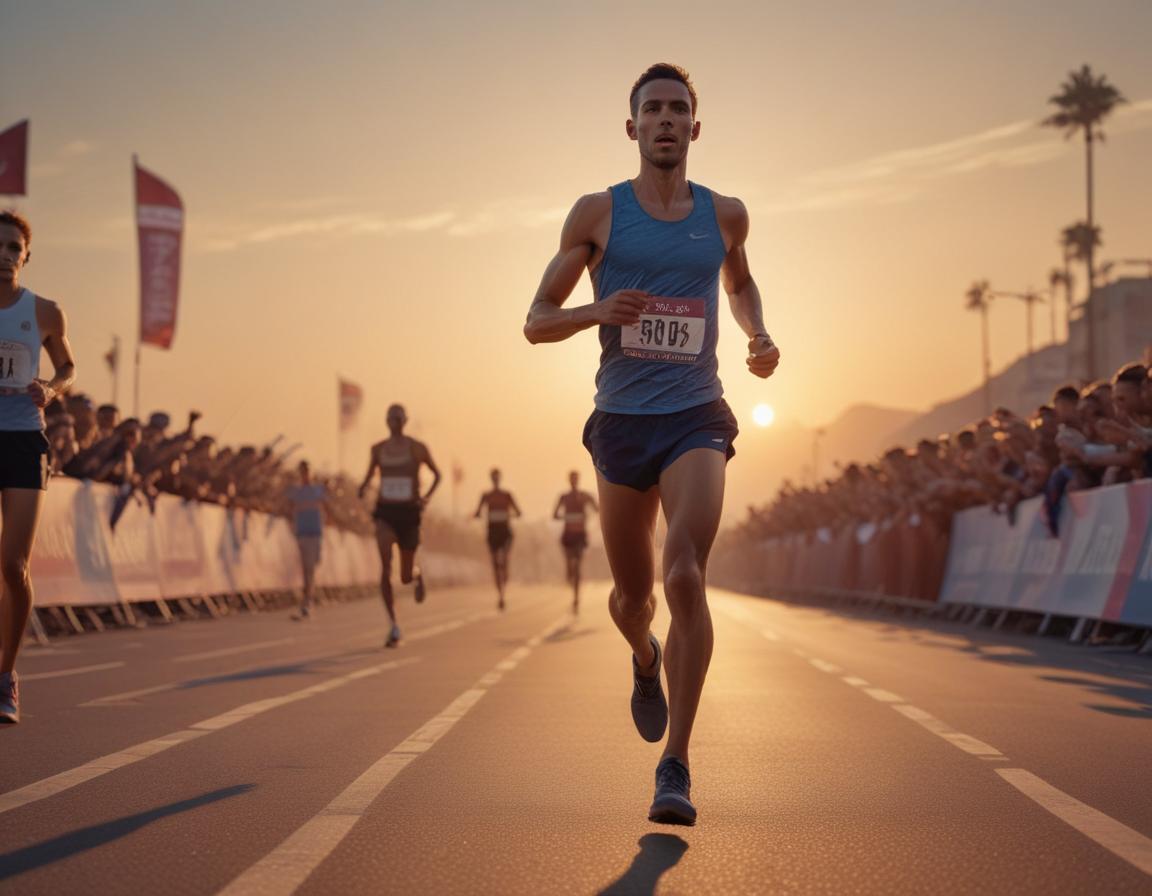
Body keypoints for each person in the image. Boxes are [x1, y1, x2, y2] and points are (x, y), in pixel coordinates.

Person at [522, 64, 780, 824]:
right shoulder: (598, 214)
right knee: (633, 600)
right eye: (651, 110)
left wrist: (758, 335)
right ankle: (644, 656)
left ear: (694, 128)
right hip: (621, 426)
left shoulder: (725, 214)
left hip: (697, 416)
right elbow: (536, 319)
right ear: (631, 127)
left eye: (678, 110)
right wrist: (597, 310)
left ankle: (676, 764)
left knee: (686, 578)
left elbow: (738, 285)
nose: (665, 120)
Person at [0, 210, 77, 724]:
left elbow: (68, 366)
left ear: (26, 257)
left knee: (13, 566)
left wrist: (50, 388)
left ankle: (6, 676)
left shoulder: (45, 311)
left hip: (25, 439)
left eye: (13, 248)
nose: (4, 255)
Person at [359, 404, 441, 647]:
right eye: (391, 418)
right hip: (385, 512)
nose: (394, 421)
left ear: (405, 420)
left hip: (409, 513)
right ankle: (393, 625)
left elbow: (438, 475)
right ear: (386, 421)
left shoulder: (417, 448)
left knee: (403, 576)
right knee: (385, 566)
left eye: (398, 417)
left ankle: (416, 575)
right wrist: (362, 488)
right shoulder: (378, 449)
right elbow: (368, 475)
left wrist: (426, 497)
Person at [473, 468, 522, 611]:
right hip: (492, 531)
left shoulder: (507, 495)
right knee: (495, 563)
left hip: (505, 531)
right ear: (491, 479)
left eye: (497, 477)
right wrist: (476, 515)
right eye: (493, 477)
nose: (495, 480)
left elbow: (518, 511)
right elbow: (478, 511)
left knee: (504, 560)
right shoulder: (486, 496)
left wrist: (514, 514)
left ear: (499, 479)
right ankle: (501, 596)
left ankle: (505, 576)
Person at [553, 470, 598, 612]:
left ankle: (576, 597)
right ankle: (569, 573)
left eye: (575, 478)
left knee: (578, 564)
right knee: (570, 564)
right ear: (569, 480)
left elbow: (597, 509)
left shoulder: (584, 496)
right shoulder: (563, 497)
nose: (574, 481)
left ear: (578, 480)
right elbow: (554, 514)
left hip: (580, 535)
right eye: (572, 479)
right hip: (567, 535)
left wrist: (588, 513)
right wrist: (566, 517)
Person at [287, 460, 326, 620]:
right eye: (302, 471)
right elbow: (289, 509)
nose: (304, 474)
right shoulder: (295, 492)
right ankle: (306, 603)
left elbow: (327, 509)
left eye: (307, 471)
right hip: (302, 534)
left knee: (312, 568)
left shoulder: (318, 490)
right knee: (307, 569)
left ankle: (308, 600)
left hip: (315, 534)